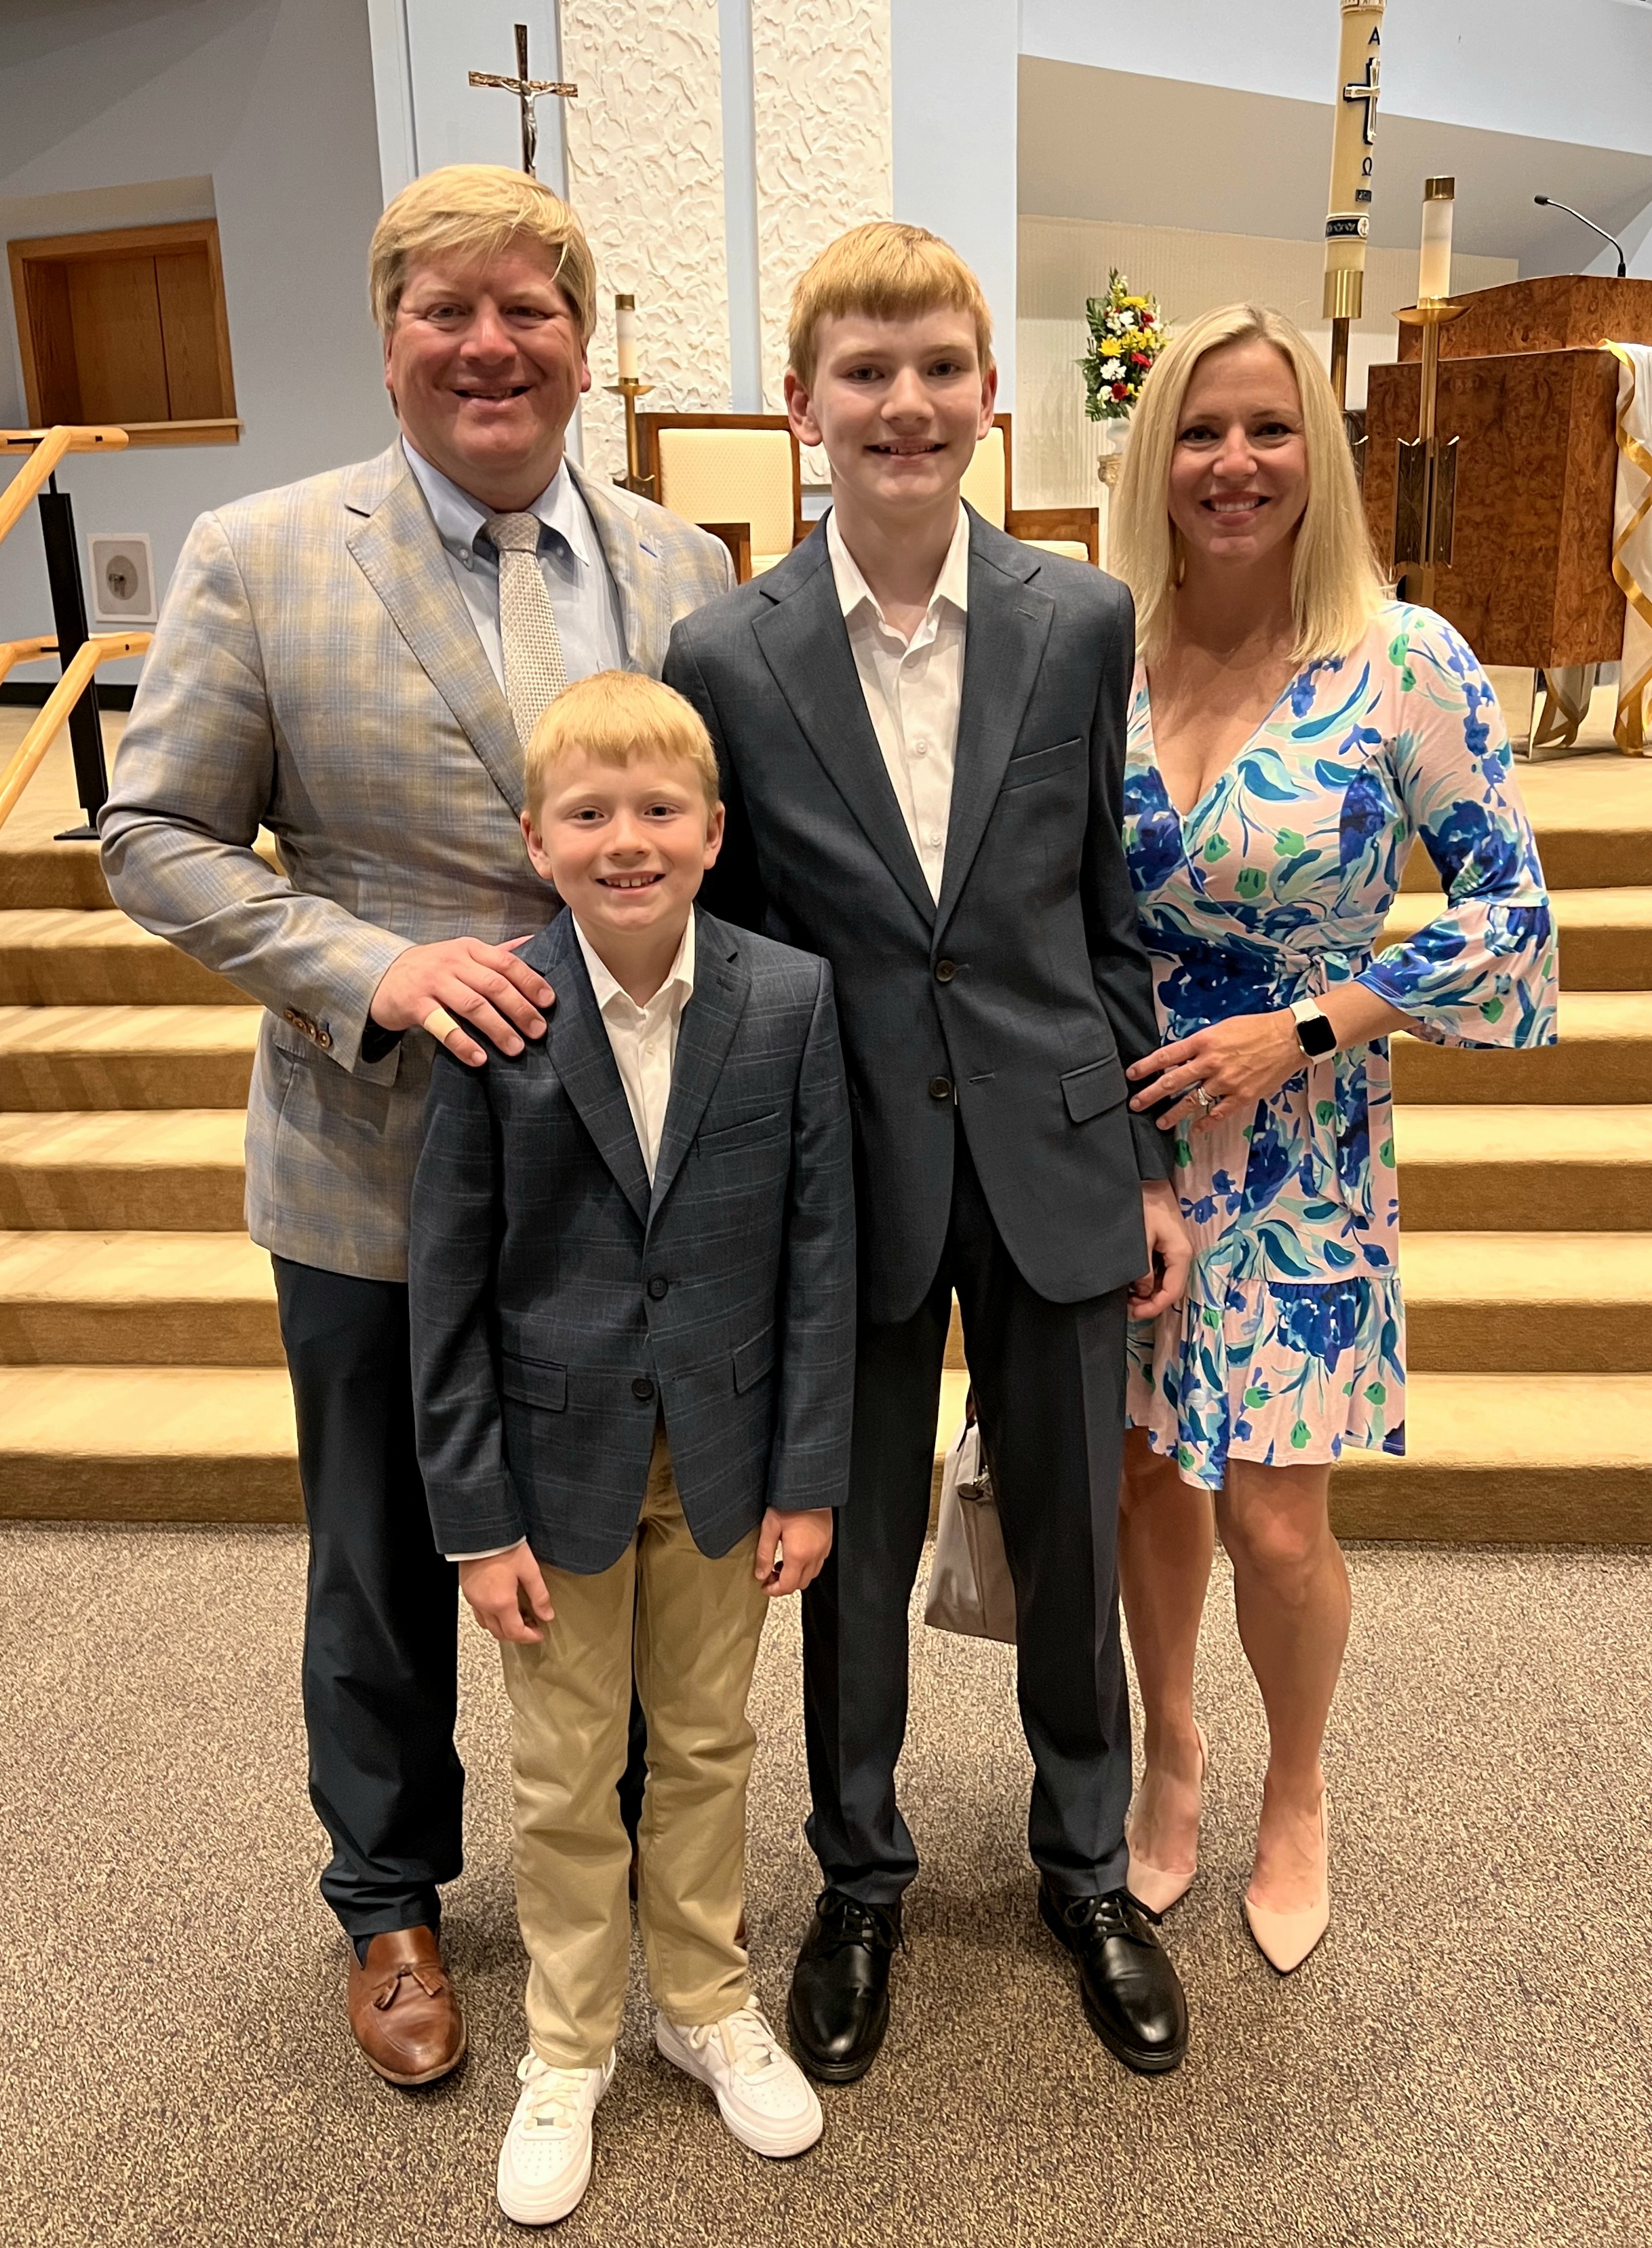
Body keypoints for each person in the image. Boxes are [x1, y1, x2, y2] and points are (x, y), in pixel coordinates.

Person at [98, 166, 732, 2083]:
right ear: (387, 339)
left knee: (619, 1543)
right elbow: (154, 838)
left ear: (581, 333)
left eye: (528, 307)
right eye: (445, 309)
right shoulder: (260, 550)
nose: (489, 343)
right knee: (383, 1555)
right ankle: (385, 1896)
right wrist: (367, 966)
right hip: (373, 1170)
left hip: (631, 1183)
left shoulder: (685, 565)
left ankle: (620, 1884)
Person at [665, 222, 1195, 2083]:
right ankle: (863, 1873)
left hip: (1054, 1143)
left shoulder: (1076, 620)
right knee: (854, 1538)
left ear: (987, 392)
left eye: (937, 368)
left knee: (1067, 1528)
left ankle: (1084, 1864)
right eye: (863, 372)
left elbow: (1101, 909)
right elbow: (723, 954)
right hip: (847, 1178)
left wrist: (1144, 1168)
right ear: (804, 406)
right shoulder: (721, 652)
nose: (903, 403)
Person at [1108, 303, 1558, 1971]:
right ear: (1155, 452)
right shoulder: (1102, 647)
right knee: (1148, 1475)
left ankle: (1296, 1788)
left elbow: (1512, 912)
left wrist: (1314, 1022)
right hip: (1131, 1134)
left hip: (1302, 1145)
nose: (1234, 463)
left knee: (1276, 1519)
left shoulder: (1403, 655)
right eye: (1203, 431)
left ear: (1322, 455)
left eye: (1270, 429)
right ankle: (1172, 1751)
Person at [408, 671, 854, 2225]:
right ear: (537, 839)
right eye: (588, 813)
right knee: (564, 1761)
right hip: (552, 1472)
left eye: (659, 810)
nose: (626, 839)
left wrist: (811, 1475)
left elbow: (821, 1254)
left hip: (729, 1462)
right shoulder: (499, 1013)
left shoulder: (790, 1001)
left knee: (713, 1744)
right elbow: (448, 1286)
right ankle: (568, 2038)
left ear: (714, 832)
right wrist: (472, 1517)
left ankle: (705, 1999)